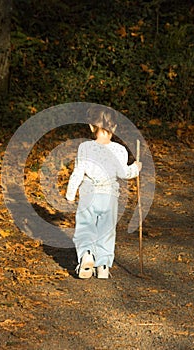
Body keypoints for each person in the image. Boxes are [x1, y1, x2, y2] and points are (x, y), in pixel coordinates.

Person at [66, 105, 142, 279]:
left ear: (92, 127)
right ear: (114, 128)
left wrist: (70, 194)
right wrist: (135, 168)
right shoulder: (120, 150)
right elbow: (123, 173)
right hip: (109, 198)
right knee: (106, 231)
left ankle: (86, 255)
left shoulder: (85, 147)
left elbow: (78, 172)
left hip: (88, 195)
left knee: (85, 228)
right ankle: (103, 266)